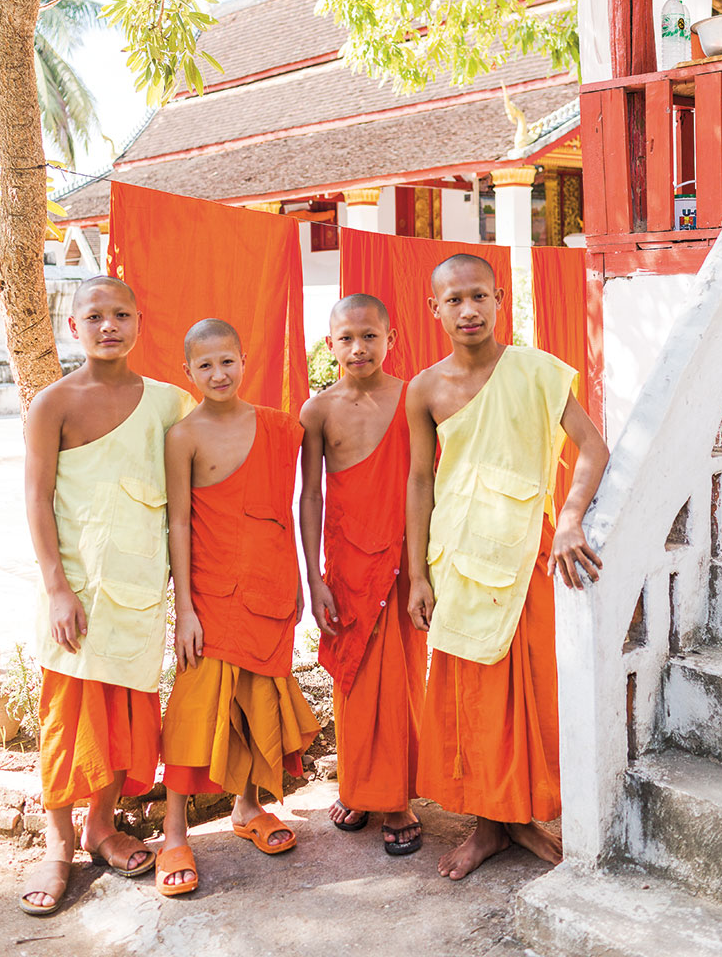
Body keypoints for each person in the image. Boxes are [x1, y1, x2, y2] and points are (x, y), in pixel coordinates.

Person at [405, 253, 609, 881]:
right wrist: (417, 573)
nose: (468, 311)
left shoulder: (536, 371)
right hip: (460, 557)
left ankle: (522, 815)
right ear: (433, 309)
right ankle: (488, 826)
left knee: (531, 690)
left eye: (478, 297)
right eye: (453, 300)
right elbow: (418, 480)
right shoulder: (425, 388)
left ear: (499, 299)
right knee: (472, 698)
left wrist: (570, 517)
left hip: (527, 552)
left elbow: (593, 449)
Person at [20, 276, 194, 916]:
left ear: (140, 322)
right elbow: (37, 499)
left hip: (141, 586)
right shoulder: (54, 404)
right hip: (78, 592)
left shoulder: (170, 404)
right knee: (70, 720)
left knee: (126, 715)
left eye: (121, 314)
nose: (109, 326)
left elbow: (186, 501)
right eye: (94, 316)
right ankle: (59, 841)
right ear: (74, 327)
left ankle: (102, 823)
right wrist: (57, 588)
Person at [158, 319, 320, 897]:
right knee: (195, 707)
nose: (218, 374)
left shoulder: (280, 427)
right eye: (205, 366)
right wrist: (186, 610)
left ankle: (247, 808)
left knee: (257, 698)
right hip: (212, 591)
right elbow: (178, 521)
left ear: (244, 360)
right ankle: (175, 832)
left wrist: (302, 577)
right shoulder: (184, 436)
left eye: (227, 361)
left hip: (269, 585)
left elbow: (296, 504)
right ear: (188, 373)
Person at [300, 295, 427, 855]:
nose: (358, 348)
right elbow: (311, 497)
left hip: (404, 557)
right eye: (346, 338)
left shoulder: (413, 397)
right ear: (330, 345)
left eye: (370, 336)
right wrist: (314, 578)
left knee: (399, 678)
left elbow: (429, 477)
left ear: (390, 338)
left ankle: (396, 797)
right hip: (348, 562)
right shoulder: (317, 411)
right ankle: (357, 784)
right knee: (352, 679)